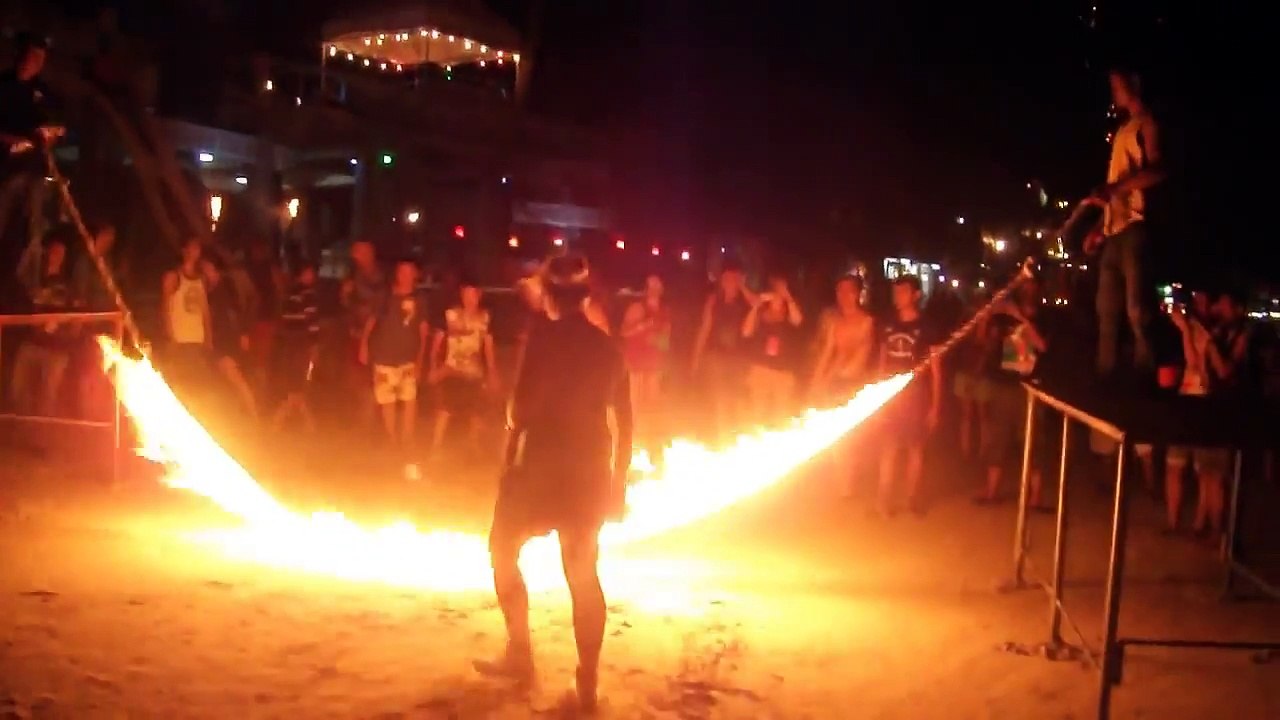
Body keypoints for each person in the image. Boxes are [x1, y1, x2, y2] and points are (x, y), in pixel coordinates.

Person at [477, 254, 632, 715]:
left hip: (541, 467)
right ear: (586, 297)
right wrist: (619, 483)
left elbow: (518, 413)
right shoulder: (608, 348)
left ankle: (521, 654)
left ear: (548, 294)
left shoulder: (540, 339)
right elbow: (626, 421)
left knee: (502, 550)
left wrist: (507, 465)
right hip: (588, 471)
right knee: (583, 575)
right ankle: (586, 684)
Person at [1087, 67, 1165, 378]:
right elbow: (1114, 184)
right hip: (1114, 230)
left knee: (1137, 309)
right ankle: (1105, 373)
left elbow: (1158, 171)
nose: (1113, 91)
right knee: (1106, 309)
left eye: (1117, 85)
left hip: (1135, 226)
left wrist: (1116, 189)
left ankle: (1145, 374)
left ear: (1135, 84)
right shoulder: (1122, 131)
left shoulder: (1148, 123)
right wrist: (1098, 228)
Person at [1162, 293, 1232, 541]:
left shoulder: (1211, 333)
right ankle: (1176, 523)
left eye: (1205, 299)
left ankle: (1209, 528)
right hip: (1185, 404)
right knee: (1176, 467)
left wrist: (1184, 331)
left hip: (1205, 407)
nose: (1199, 303)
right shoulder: (1191, 329)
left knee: (1208, 475)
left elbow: (1202, 366)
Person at [974, 279, 1049, 506]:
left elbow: (1042, 345)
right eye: (1024, 287)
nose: (1028, 291)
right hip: (1003, 386)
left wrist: (1019, 317)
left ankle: (1035, 495)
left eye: (1031, 287)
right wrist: (986, 315)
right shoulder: (1003, 316)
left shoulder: (1044, 317)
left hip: (1030, 388)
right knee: (997, 439)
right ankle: (991, 490)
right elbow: (982, 341)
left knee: (1032, 441)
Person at [0, 34, 62, 302]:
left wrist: (52, 134)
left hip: (34, 170)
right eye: (33, 56)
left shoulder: (42, 91)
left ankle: (27, 289)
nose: (36, 63)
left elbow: (53, 125)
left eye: (41, 59)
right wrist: (15, 141)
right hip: (5, 169)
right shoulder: (3, 85)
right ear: (23, 56)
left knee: (34, 232)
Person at [876, 275, 943, 517]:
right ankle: (883, 501)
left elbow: (936, 368)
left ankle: (911, 499)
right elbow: (882, 361)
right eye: (896, 292)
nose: (898, 296)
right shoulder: (888, 323)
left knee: (916, 448)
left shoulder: (928, 327)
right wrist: (878, 394)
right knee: (889, 447)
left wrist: (935, 406)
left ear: (916, 295)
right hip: (891, 395)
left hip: (916, 395)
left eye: (903, 292)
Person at [359, 258, 429, 480]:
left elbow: (424, 331)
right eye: (402, 271)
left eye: (410, 271)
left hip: (408, 359)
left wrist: (420, 359)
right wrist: (363, 344)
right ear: (397, 274)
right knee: (387, 401)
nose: (406, 275)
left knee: (409, 400)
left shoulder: (420, 300)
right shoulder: (386, 297)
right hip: (384, 357)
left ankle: (407, 442)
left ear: (415, 274)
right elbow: (371, 321)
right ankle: (392, 441)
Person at [811, 275, 876, 496]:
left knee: (851, 436)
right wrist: (816, 382)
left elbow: (860, 354)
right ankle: (840, 481)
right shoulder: (835, 323)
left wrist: (836, 372)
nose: (843, 296)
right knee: (835, 435)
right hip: (835, 382)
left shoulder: (866, 321)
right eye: (839, 291)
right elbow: (828, 353)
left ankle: (848, 484)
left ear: (857, 294)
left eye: (848, 291)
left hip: (852, 383)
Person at [429, 277, 497, 458]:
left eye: (473, 295)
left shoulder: (485, 318)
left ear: (479, 295)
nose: (469, 299)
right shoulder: (451, 315)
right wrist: (434, 365)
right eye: (466, 295)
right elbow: (437, 341)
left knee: (475, 410)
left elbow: (488, 345)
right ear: (461, 295)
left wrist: (492, 372)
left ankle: (473, 446)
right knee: (445, 408)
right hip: (451, 369)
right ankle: (435, 446)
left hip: (473, 371)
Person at [692, 262, 757, 442]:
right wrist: (696, 358)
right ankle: (720, 436)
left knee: (734, 396)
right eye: (727, 278)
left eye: (734, 278)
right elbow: (705, 327)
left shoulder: (744, 301)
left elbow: (756, 303)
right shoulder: (714, 299)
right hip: (715, 354)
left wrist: (743, 285)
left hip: (736, 356)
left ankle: (731, 434)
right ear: (721, 280)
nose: (730, 281)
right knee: (718, 396)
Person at [11, 237, 75, 416]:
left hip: (55, 348)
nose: (57, 256)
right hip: (32, 343)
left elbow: (74, 314)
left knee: (48, 395)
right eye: (54, 251)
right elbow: (20, 275)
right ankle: (23, 427)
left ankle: (46, 434)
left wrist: (60, 326)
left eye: (61, 253)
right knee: (19, 387)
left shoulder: (66, 284)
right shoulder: (35, 279)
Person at [741, 271, 804, 424]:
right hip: (761, 369)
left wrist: (787, 298)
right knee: (757, 414)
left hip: (783, 372)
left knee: (781, 416)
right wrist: (755, 307)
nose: (778, 291)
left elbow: (798, 321)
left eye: (782, 287)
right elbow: (746, 331)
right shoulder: (761, 312)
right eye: (776, 287)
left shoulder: (791, 309)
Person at [620, 274, 673, 459]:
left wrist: (658, 340)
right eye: (651, 285)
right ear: (645, 288)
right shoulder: (637, 307)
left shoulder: (665, 310)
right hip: (635, 360)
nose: (654, 288)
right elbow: (624, 331)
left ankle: (651, 440)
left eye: (657, 285)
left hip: (654, 362)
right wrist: (642, 325)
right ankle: (633, 443)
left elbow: (665, 340)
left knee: (652, 403)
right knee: (635, 403)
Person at [202, 257, 258, 419]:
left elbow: (236, 310)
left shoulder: (226, 287)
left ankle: (253, 412)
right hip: (219, 337)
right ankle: (242, 411)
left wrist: (243, 333)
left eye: (208, 267)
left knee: (233, 375)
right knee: (226, 376)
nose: (205, 271)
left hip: (228, 336)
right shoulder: (208, 289)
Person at [271, 262, 321, 433]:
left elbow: (283, 320)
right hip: (302, 344)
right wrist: (314, 345)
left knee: (294, 383)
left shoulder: (289, 294)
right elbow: (311, 320)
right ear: (304, 273)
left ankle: (304, 422)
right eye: (310, 272)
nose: (313, 276)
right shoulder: (307, 294)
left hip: (288, 344)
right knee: (299, 383)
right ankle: (283, 420)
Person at [341, 239, 386, 423]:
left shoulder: (377, 277)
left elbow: (376, 307)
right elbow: (347, 304)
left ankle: (371, 422)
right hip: (355, 332)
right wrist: (345, 293)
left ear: (369, 253)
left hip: (373, 336)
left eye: (358, 252)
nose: (355, 256)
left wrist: (366, 337)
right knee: (356, 377)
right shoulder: (355, 274)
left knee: (371, 379)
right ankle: (362, 417)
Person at [160, 238, 212, 388]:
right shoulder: (173, 277)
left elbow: (205, 310)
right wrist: (170, 336)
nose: (195, 251)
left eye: (197, 248)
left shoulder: (201, 279)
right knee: (181, 384)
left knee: (197, 386)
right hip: (180, 340)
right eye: (192, 247)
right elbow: (165, 308)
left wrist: (208, 336)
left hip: (197, 340)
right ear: (183, 250)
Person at [244, 239, 285, 395]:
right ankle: (259, 391)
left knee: (261, 358)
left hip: (264, 318)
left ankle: (260, 392)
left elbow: (279, 290)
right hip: (260, 318)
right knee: (259, 359)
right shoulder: (258, 269)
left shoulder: (265, 269)